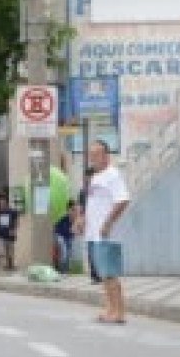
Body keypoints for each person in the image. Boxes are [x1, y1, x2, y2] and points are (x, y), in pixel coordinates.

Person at [83, 138, 133, 323]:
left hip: (107, 233)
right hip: (95, 233)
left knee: (110, 273)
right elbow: (93, 204)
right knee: (103, 274)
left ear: (106, 156)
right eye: (91, 154)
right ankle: (110, 309)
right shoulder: (96, 177)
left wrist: (108, 224)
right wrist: (83, 221)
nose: (93, 158)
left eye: (97, 154)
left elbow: (122, 200)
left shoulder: (113, 175)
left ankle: (119, 312)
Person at [0, 189, 20, 270]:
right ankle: (6, 264)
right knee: (3, 251)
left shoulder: (12, 211)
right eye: (0, 201)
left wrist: (14, 230)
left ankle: (11, 264)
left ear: (6, 202)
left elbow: (16, 221)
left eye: (3, 201)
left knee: (10, 249)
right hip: (0, 234)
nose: (1, 203)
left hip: (9, 233)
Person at [54, 200, 79, 273]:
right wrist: (72, 231)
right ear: (68, 210)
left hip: (68, 236)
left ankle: (66, 269)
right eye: (73, 210)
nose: (75, 212)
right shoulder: (65, 219)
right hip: (60, 235)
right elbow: (59, 229)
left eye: (76, 210)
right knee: (64, 251)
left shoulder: (76, 219)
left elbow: (74, 231)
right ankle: (61, 269)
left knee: (69, 253)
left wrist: (74, 232)